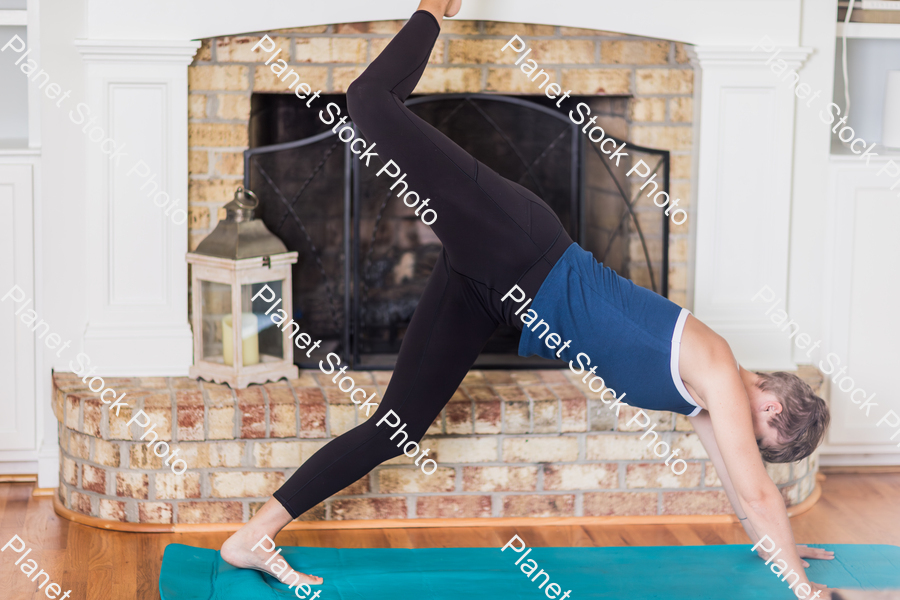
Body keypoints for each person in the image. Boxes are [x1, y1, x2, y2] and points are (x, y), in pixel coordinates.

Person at [221, 0, 833, 596]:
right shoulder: (720, 369)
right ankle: (434, 8)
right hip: (519, 243)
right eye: (760, 440)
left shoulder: (704, 399)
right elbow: (756, 489)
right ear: (774, 409)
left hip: (498, 290)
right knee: (367, 103)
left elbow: (739, 489)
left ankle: (254, 535)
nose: (744, 444)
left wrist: (777, 548)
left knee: (396, 425)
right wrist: (805, 592)